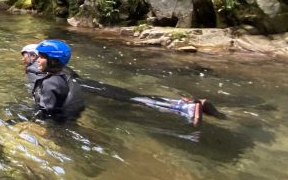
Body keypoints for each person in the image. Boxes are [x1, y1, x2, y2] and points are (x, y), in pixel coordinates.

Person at [21, 41, 219, 126]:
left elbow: (47, 102)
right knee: (131, 97)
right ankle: (181, 105)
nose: (25, 60)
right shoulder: (62, 67)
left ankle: (183, 108)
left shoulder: (37, 71)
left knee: (129, 104)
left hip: (86, 90)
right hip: (86, 84)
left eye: (26, 56)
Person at [31, 39, 86, 124]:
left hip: (55, 123)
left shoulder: (50, 83)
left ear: (53, 61)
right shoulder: (65, 75)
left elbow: (44, 112)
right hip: (66, 118)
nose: (37, 60)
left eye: (41, 57)